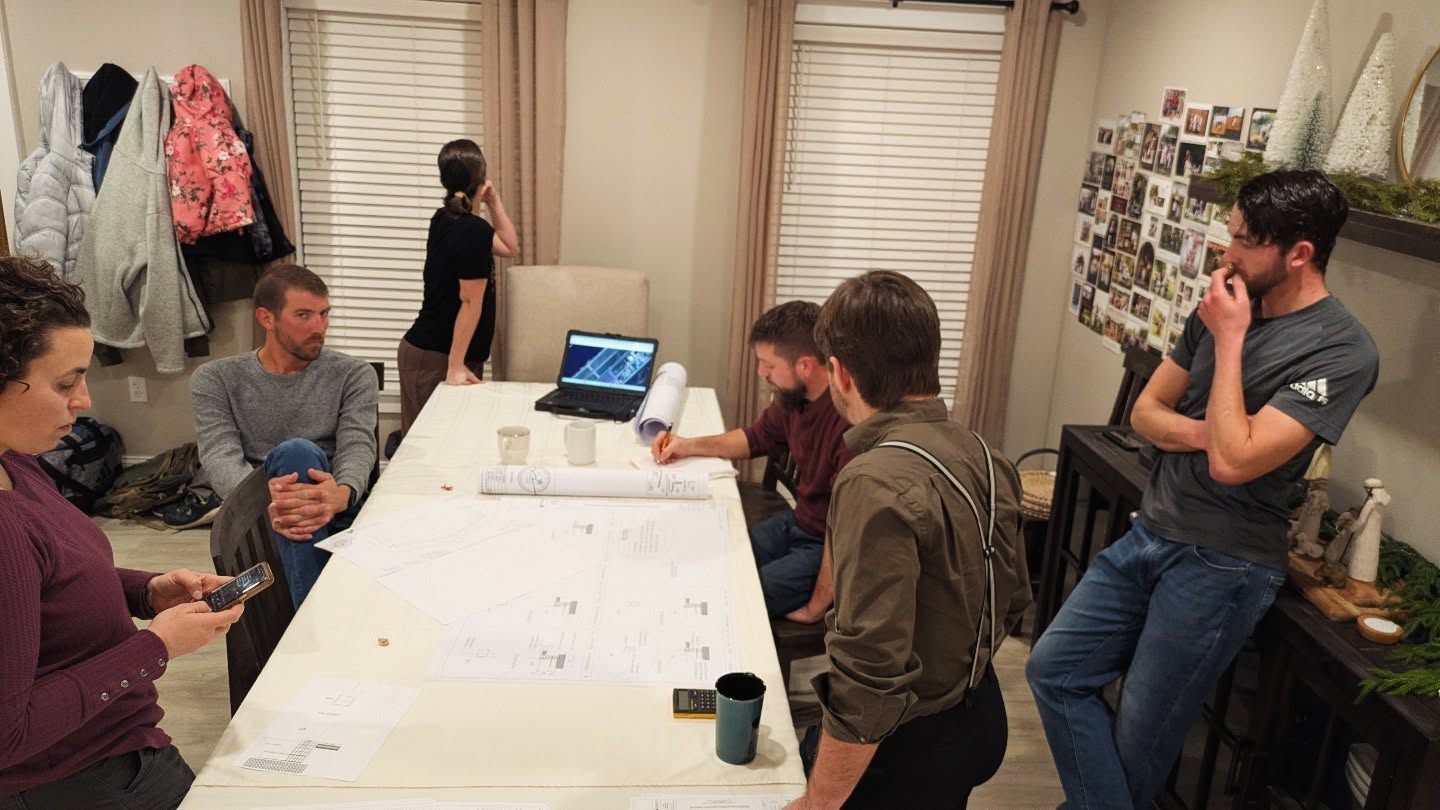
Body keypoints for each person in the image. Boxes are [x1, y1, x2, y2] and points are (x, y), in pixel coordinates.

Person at [1026, 169, 1379, 809]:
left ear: (1299, 252)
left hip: (1223, 563)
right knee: (1053, 669)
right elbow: (1145, 414)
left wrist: (1233, 341)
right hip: (1151, 530)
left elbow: (1235, 464)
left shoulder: (1342, 350)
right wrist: (1209, 432)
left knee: (1137, 743)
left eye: (1245, 240)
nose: (1227, 251)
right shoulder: (1218, 305)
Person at [0, 256, 243, 808]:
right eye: (65, 383)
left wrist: (146, 590)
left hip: (114, 745)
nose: (84, 400)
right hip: (83, 775)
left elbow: (51, 576)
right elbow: (7, 736)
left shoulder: (16, 460)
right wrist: (156, 646)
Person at [784, 271, 1030, 809]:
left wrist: (819, 803)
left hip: (905, 750)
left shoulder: (873, 481)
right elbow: (1013, 599)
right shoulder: (987, 456)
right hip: (978, 714)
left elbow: (868, 673)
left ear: (840, 373)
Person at [184, 265, 379, 608]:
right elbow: (219, 455)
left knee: (299, 456)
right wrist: (271, 500)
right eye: (304, 315)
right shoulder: (216, 379)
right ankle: (314, 616)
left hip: (332, 504)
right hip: (256, 510)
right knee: (296, 455)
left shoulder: (354, 374)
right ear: (266, 318)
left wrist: (341, 494)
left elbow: (357, 443)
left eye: (324, 314)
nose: (319, 327)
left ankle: (308, 623)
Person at [652, 301, 852, 620]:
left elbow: (844, 530)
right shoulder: (794, 398)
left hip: (827, 545)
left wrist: (817, 605)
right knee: (712, 561)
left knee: (735, 598)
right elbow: (754, 438)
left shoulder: (847, 424)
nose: (761, 373)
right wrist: (687, 446)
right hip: (799, 521)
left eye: (768, 365)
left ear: (805, 365)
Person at [397, 139, 519, 437]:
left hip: (448, 355)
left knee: (452, 445)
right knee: (428, 448)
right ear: (481, 179)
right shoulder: (469, 230)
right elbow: (469, 301)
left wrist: (493, 202)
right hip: (438, 357)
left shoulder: (451, 220)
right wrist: (455, 364)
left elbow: (509, 247)